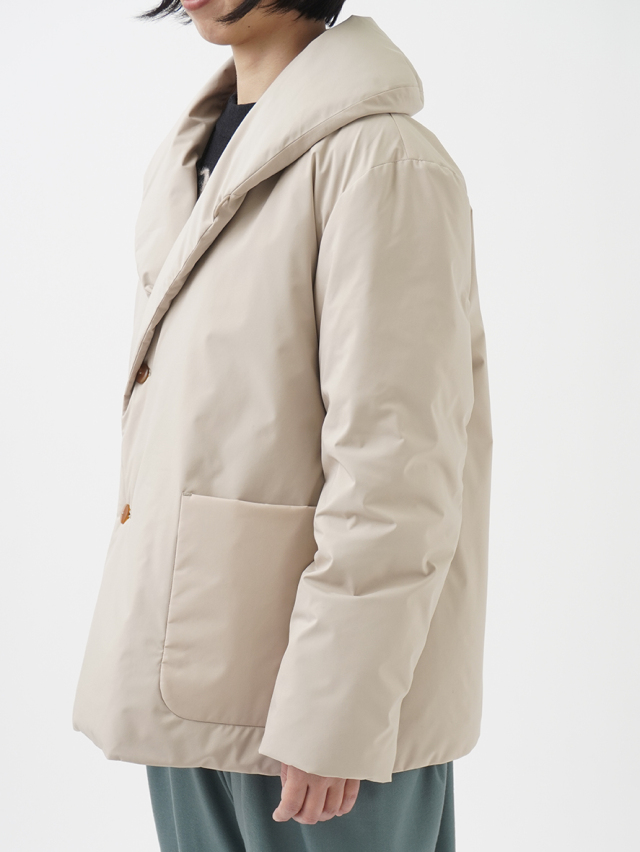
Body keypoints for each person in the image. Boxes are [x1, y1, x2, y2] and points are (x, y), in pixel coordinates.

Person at [72, 2, 492, 850]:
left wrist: (337, 706)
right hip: (192, 675)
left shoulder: (382, 162)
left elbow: (396, 463)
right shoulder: (188, 159)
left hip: (325, 713)